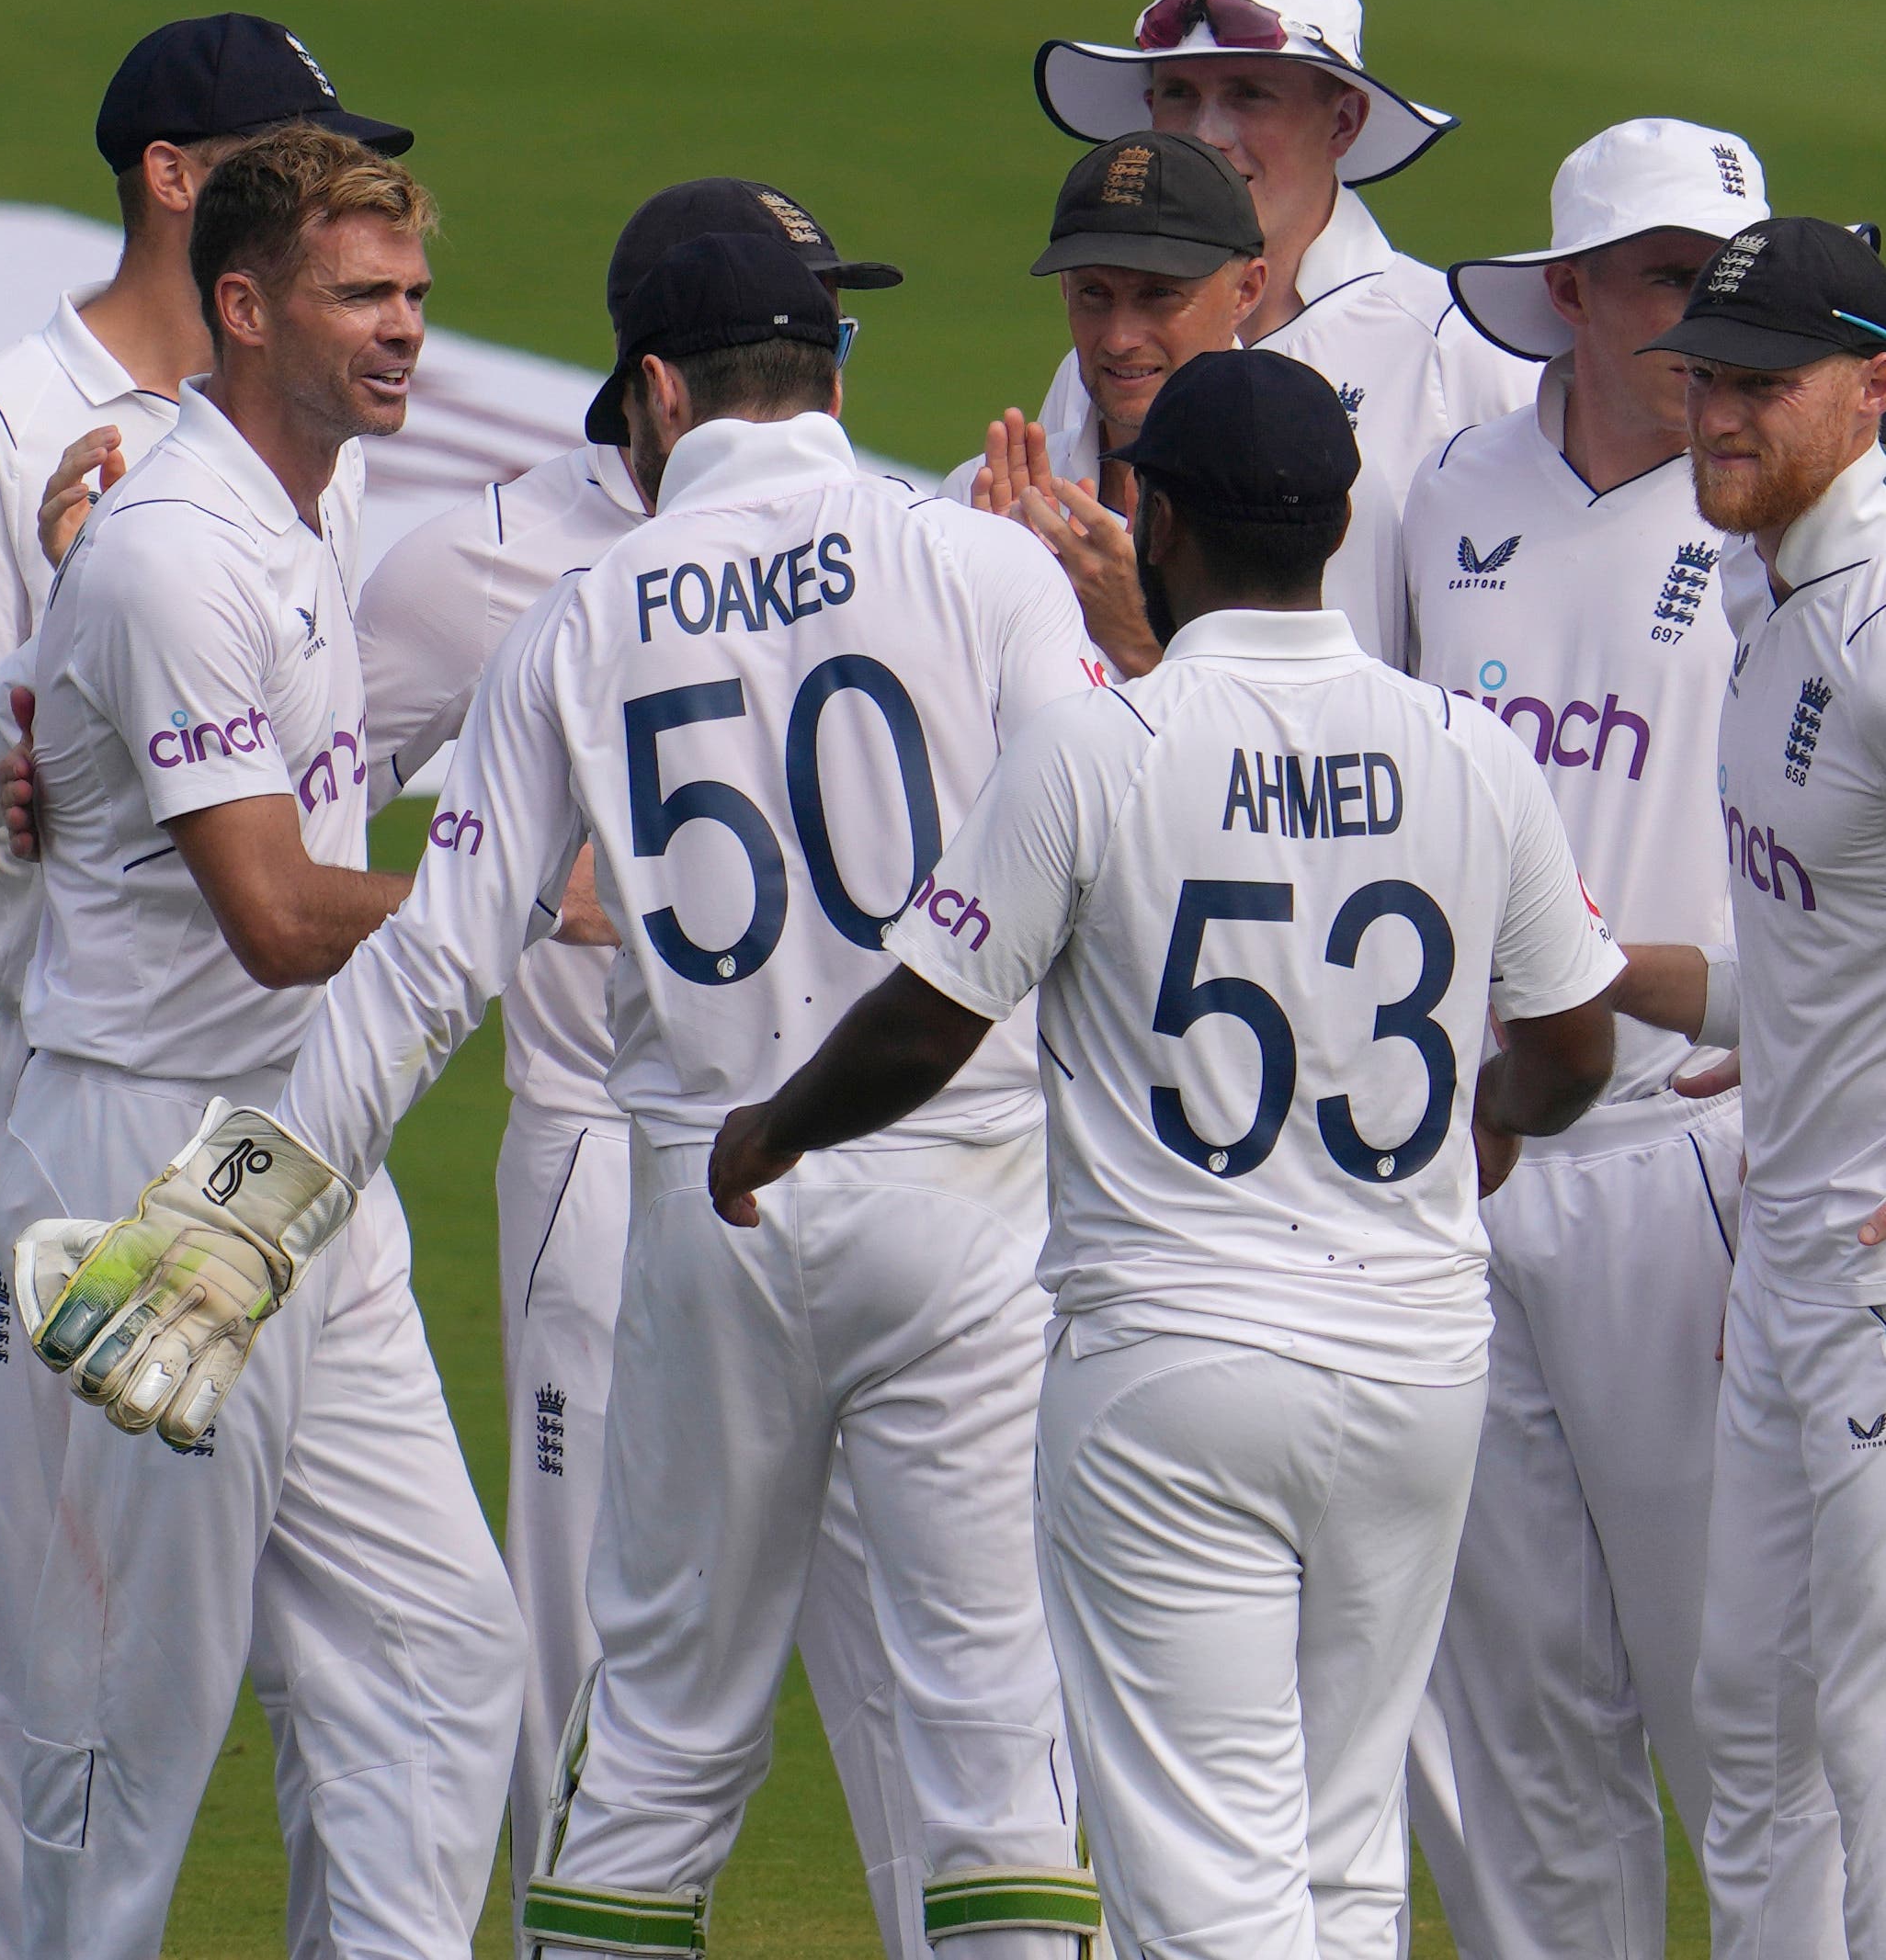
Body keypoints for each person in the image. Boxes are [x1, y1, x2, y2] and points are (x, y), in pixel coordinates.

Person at [34, 230, 1118, 1958]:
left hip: (703, 1209)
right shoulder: (982, 574)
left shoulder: (581, 620)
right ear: (829, 377)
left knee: (657, 1749)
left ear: (659, 392)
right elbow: (1098, 862)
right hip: (966, 1208)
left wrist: (247, 1204)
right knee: (991, 1740)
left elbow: (430, 963)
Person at [715, 348, 1623, 1960]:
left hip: (1174, 1367)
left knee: (1202, 1885)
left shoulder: (1100, 747)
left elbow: (928, 1025)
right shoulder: (1470, 752)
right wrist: (1484, 1124)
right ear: (1339, 524)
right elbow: (1573, 1044)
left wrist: (766, 1131)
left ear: (1161, 526)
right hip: (1418, 1366)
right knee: (1341, 1861)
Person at [0, 10, 407, 1960]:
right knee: (46, 1633)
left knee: (331, 1636)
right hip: (43, 1068)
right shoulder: (3, 424)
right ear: (182, 184)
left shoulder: (309, 438)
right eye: (296, 153)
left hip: (256, 1086)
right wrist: (24, 702)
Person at [357, 176, 948, 1956]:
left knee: (926, 1685)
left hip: (877, 1160)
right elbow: (285, 796)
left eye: (824, 336)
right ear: (657, 382)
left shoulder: (898, 538)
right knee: (599, 1685)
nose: (812, 374)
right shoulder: (471, 570)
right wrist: (537, 888)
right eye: (785, 338)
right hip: (610, 1172)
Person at [0, 125, 521, 1960]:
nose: (404, 334)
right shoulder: (167, 556)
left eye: (414, 299)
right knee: (136, 1716)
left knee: (444, 1653)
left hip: (289, 1154)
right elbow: (281, 912)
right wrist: (514, 891)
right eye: (361, 297)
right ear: (240, 306)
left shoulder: (300, 511)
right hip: (148, 1159)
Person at [1401, 119, 1815, 1960]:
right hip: (1478, 1164)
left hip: (1693, 1164)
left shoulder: (1794, 534)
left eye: (1724, 288)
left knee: (1747, 1718)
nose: (1697, 328)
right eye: (1661, 281)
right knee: (1518, 1732)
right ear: (1563, 294)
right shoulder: (1442, 496)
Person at [1640, 216, 1886, 1959]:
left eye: (1761, 386)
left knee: (1872, 1745)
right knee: (1749, 1735)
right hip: (1791, 1251)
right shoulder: (1760, 582)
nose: (1718, 417)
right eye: (1704, 379)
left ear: (1870, 387)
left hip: (1870, 1261)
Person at [1024, 0, 1536, 667]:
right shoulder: (1115, 350)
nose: (1205, 134)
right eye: (1177, 94)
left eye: (1247, 94)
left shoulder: (1454, 350)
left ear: (1343, 123)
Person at [952, 130, 1403, 681]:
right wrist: (988, 617)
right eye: (1094, 293)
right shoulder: (976, 503)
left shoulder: (1322, 493)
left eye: (1159, 294)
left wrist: (1136, 644)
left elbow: (1341, 739)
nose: (1119, 338)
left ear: (1247, 290)